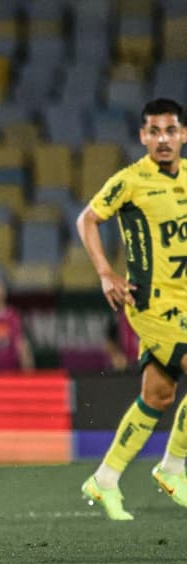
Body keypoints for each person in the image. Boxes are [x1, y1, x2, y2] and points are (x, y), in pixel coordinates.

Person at [76, 97, 187, 519]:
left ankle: (104, 480)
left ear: (183, 135)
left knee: (158, 395)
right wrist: (106, 272)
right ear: (143, 136)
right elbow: (86, 219)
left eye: (171, 130)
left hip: (185, 300)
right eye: (154, 131)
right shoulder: (131, 181)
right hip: (150, 302)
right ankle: (173, 466)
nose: (163, 139)